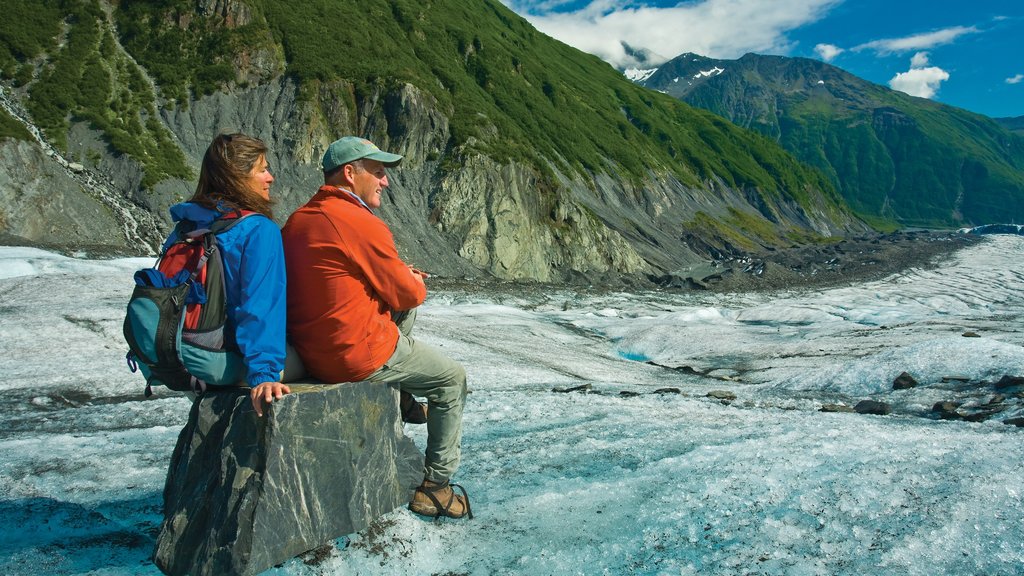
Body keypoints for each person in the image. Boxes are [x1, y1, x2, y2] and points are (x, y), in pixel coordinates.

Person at [282, 136, 471, 520]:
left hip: (312, 348)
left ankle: (401, 396)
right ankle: (436, 487)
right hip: (352, 354)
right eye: (379, 173)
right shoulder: (359, 222)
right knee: (452, 379)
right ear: (350, 174)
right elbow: (408, 294)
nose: (385, 182)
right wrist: (414, 279)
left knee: (395, 311)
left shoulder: (299, 219)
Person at [163, 132, 291, 415]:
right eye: (263, 169)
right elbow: (259, 306)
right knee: (320, 359)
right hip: (213, 359)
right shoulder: (258, 229)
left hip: (173, 353)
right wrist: (264, 375)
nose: (270, 177)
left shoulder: (188, 224)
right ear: (238, 177)